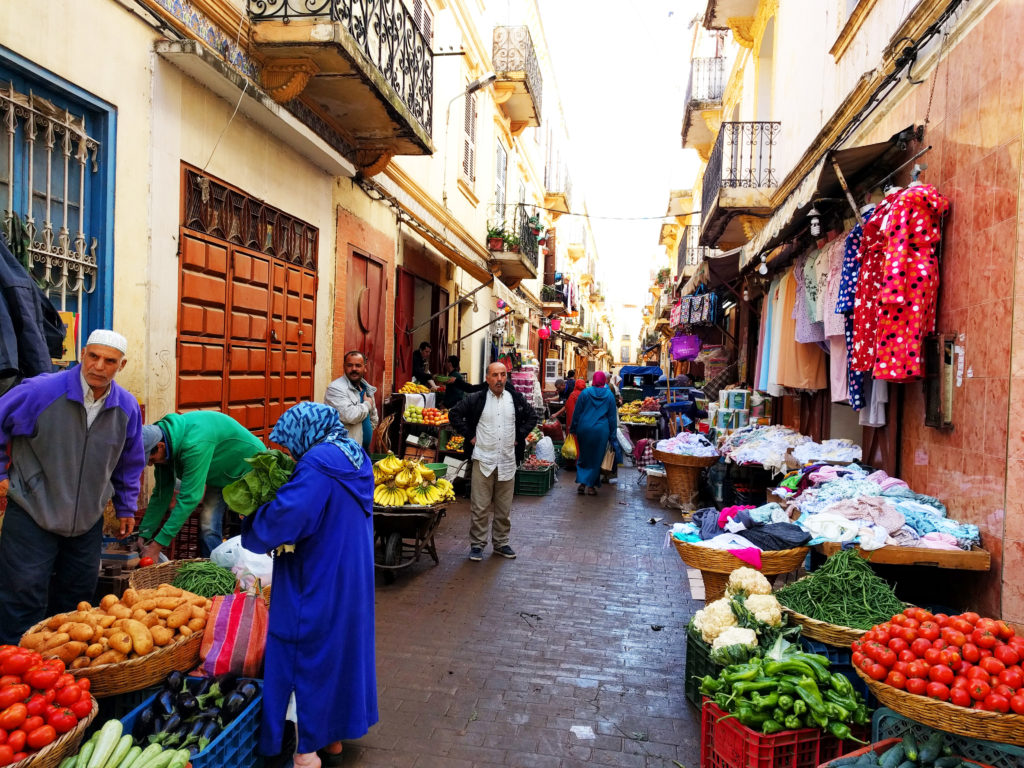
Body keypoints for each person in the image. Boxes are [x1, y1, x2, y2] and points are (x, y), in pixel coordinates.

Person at [241, 402, 377, 768]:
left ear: (305, 434)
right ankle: (332, 739)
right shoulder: (355, 456)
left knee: (304, 652)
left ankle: (306, 751)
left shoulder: (317, 465)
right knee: (338, 651)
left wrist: (254, 519)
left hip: (316, 574)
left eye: (290, 444)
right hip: (351, 574)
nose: (291, 452)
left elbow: (291, 516)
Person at [0, 329, 145, 643]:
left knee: (77, 602)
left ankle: (60, 674)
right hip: (32, 511)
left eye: (109, 361)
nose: (98, 366)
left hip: (87, 519)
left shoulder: (126, 408)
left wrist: (125, 507)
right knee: (23, 595)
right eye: (93, 356)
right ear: (83, 355)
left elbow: (129, 462)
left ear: (121, 366)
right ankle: (12, 668)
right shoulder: (40, 392)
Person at [137, 411, 266, 560]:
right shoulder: (165, 443)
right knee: (208, 525)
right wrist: (144, 533)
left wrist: (156, 546)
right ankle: (215, 571)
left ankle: (246, 570)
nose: (150, 464)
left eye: (151, 459)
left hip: (247, 466)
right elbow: (161, 493)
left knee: (246, 525)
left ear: (160, 446)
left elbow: (190, 498)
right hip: (217, 472)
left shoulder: (194, 444)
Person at [449, 362, 537, 561]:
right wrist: (470, 435)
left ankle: (501, 543)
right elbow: (454, 414)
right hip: (483, 458)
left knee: (504, 507)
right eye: (495, 375)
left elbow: (532, 417)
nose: (499, 379)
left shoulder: (514, 398)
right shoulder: (477, 398)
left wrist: (519, 436)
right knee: (479, 506)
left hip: (507, 460)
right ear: (487, 378)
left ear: (507, 377)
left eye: (503, 375)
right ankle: (477, 545)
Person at [569, 371, 618, 496]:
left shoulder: (585, 393)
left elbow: (577, 412)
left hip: (584, 429)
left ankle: (582, 483)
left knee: (584, 456)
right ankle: (591, 486)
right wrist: (613, 436)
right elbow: (612, 418)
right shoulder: (609, 395)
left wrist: (573, 428)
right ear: (604, 381)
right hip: (601, 431)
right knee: (596, 459)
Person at [324, 350, 378, 450]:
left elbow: (373, 418)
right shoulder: (335, 388)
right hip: (344, 450)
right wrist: (366, 404)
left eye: (358, 365)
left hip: (363, 450)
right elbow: (350, 416)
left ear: (364, 368)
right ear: (344, 367)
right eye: (349, 365)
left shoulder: (367, 388)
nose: (354, 369)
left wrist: (365, 432)